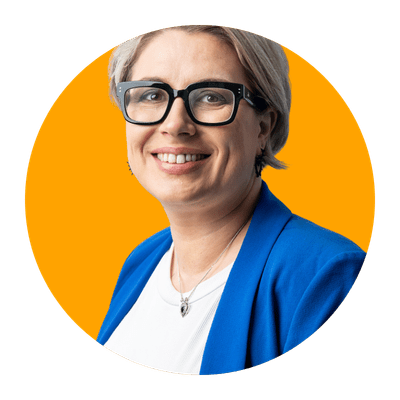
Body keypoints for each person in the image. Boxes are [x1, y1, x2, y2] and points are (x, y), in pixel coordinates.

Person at [97, 25, 365, 375]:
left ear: (264, 127)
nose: (175, 125)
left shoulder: (326, 278)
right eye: (151, 95)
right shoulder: (142, 262)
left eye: (211, 97)